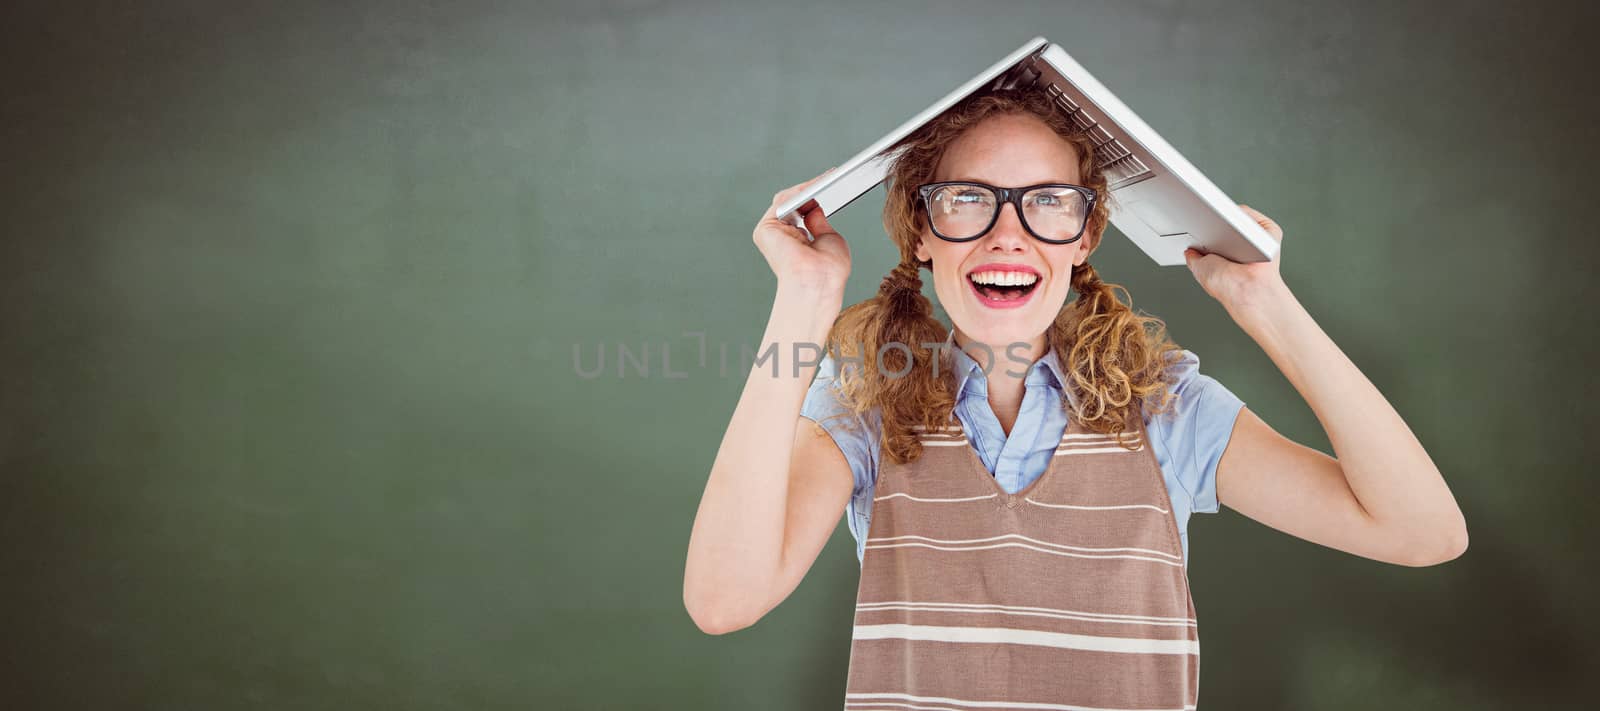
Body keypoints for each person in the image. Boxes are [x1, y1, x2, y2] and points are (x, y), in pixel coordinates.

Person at [683, 88, 1467, 709]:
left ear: (1086, 235)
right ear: (921, 229)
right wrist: (804, 299)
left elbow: (1423, 531)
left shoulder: (1167, 408)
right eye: (968, 198)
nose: (1008, 234)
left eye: (1048, 201)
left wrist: (1266, 305)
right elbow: (723, 600)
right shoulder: (863, 402)